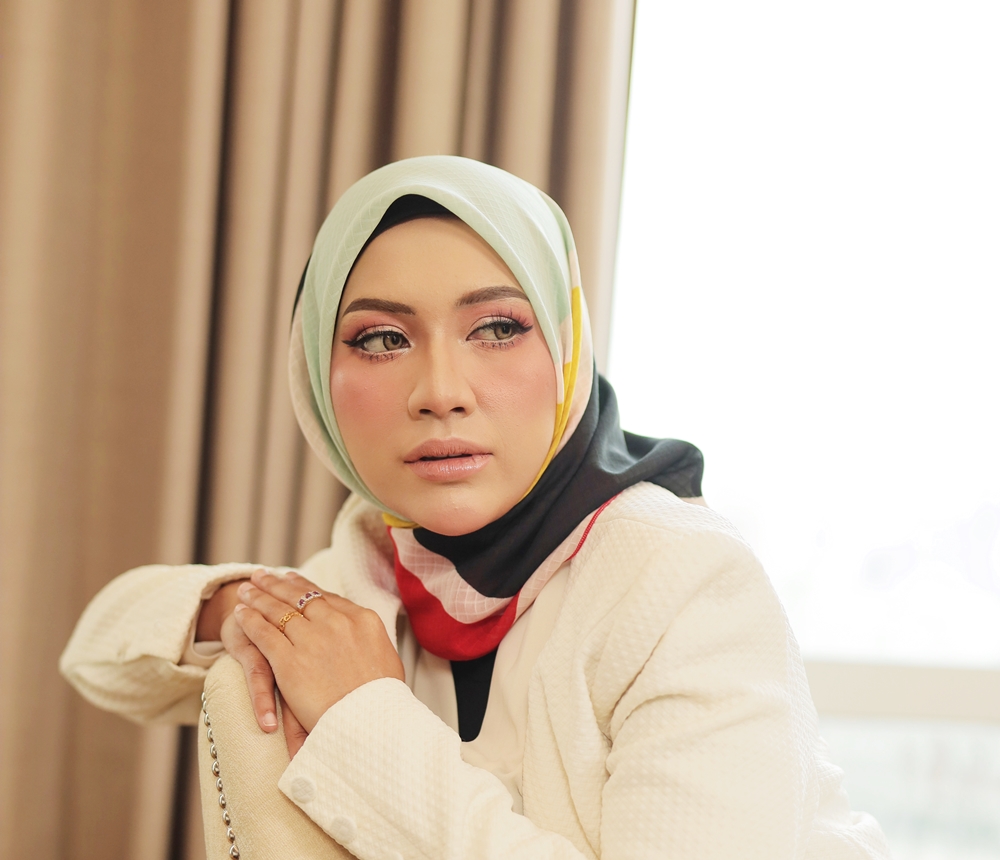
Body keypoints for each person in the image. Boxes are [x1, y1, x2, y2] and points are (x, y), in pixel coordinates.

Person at [61, 156, 890, 859]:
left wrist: (360, 722)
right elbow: (99, 658)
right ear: (315, 374)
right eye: (382, 339)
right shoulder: (365, 568)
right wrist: (249, 605)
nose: (440, 391)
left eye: (496, 327)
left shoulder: (680, 581)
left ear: (565, 352)